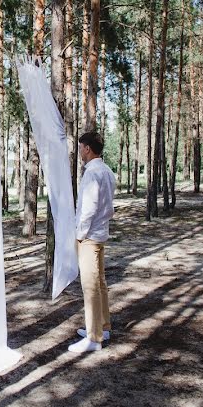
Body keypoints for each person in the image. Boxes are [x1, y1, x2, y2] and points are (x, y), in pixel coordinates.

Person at [68, 131, 116, 353]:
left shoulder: (91, 174)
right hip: (100, 233)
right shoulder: (107, 171)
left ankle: (94, 338)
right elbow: (108, 207)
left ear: (87, 148)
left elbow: (88, 209)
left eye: (80, 148)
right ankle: (103, 326)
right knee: (101, 284)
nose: (79, 153)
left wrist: (79, 235)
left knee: (90, 287)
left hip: (89, 237)